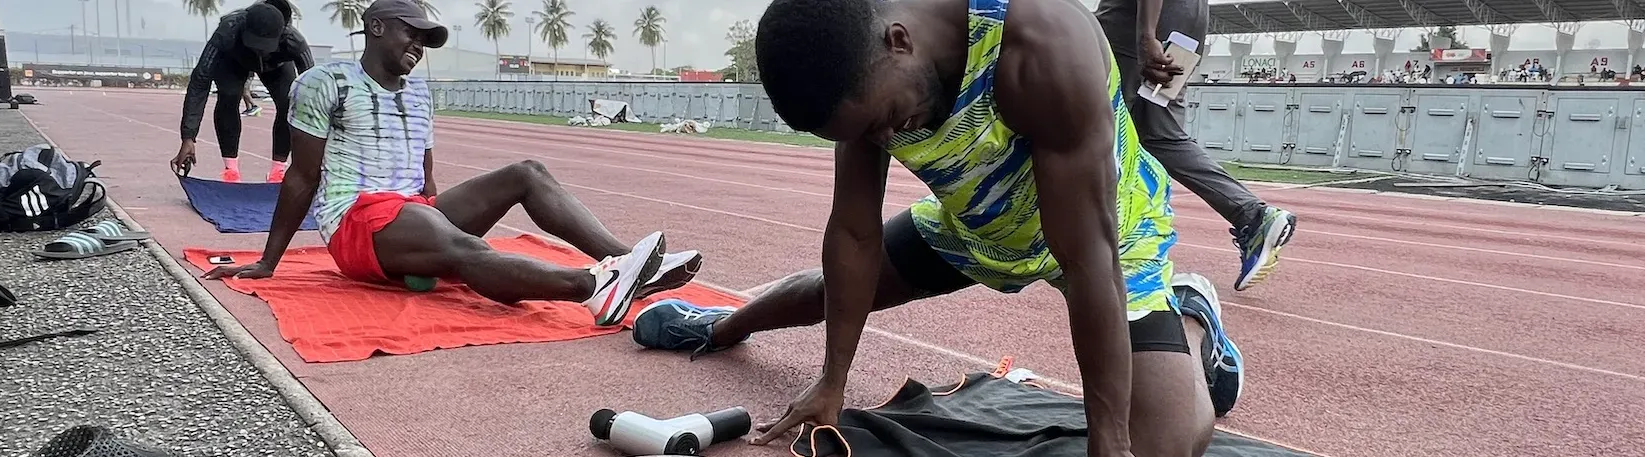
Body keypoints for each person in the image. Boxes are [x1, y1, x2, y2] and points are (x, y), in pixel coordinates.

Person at [631, 0, 1242, 455]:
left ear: (899, 41)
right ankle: (719, 327)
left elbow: (1087, 261)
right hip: (976, 221)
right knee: (828, 289)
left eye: (887, 119)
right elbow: (854, 234)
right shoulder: (862, 81)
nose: (884, 139)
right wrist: (831, 380)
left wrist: (1109, 440)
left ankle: (1190, 317)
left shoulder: (1042, 46)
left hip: (1108, 235)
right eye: (865, 134)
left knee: (1159, 447)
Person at [202, 0, 702, 327]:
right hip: (355, 220)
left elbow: (426, 178)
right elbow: (301, 177)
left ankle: (629, 264)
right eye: (411, 33)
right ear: (376, 27)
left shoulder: (419, 92)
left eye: (425, 40)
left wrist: (431, 225)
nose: (418, 46)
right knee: (465, 246)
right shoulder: (325, 83)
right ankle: (593, 289)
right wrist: (269, 261)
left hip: (409, 211)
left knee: (526, 172)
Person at [1095, 0, 1297, 291]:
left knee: (1096, 128)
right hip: (1185, 23)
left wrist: (1147, 36)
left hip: (1136, 26)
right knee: (1159, 137)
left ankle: (1091, 242)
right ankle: (1252, 215)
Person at [171, 0, 313, 183]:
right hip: (234, 62)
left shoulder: (294, 41)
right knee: (228, 97)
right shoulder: (227, 31)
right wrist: (188, 137)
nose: (259, 51)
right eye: (255, 44)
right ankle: (231, 170)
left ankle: (277, 171)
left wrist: (315, 150)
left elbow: (314, 90)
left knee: (289, 102)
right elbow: (200, 81)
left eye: (264, 46)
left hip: (276, 67)